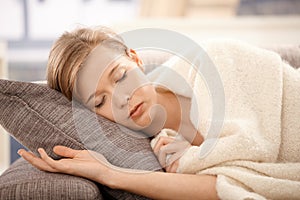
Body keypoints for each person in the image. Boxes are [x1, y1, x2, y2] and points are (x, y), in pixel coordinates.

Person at [18, 26, 300, 200]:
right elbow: (225, 188)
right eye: (100, 101)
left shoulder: (210, 60)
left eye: (119, 76)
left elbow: (254, 143)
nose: (122, 99)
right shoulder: (161, 150)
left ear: (135, 58)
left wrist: (199, 152)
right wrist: (108, 173)